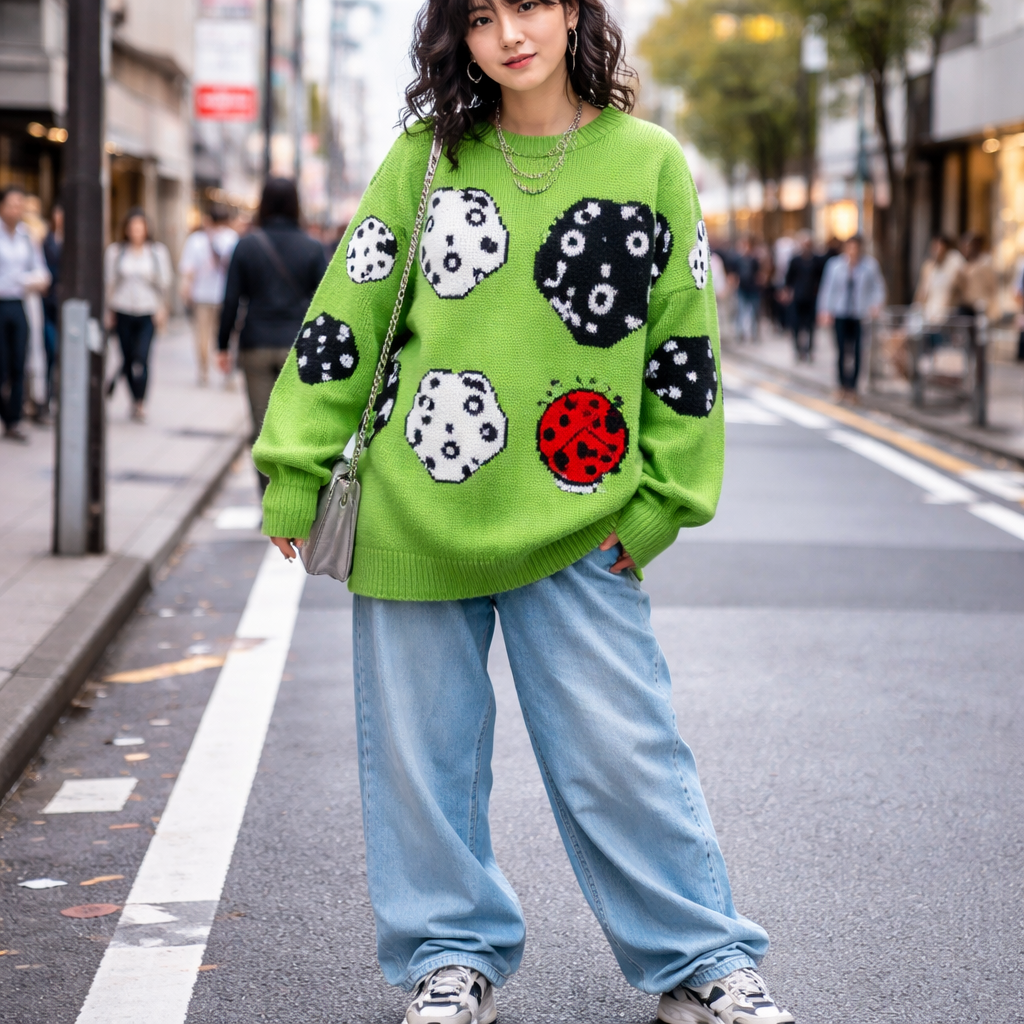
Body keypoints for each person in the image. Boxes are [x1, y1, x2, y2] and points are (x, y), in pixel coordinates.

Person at [254, 3, 794, 1024]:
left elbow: (685, 345)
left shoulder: (649, 163)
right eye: (483, 14)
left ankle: (701, 955)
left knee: (625, 754)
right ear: (455, 35)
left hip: (582, 525)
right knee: (421, 762)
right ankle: (447, 958)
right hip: (413, 518)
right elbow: (346, 317)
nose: (511, 32)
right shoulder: (421, 160)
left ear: (576, 12)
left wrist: (657, 509)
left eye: (533, 4)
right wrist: (292, 469)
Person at [217, 177, 326, 488]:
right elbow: (325, 302)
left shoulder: (247, 245)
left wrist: (222, 345)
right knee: (295, 426)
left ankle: (268, 502)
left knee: (262, 428)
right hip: (298, 347)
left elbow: (231, 300)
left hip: (256, 345)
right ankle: (294, 496)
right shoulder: (312, 247)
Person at [104, 208, 173, 422]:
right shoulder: (116, 252)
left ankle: (141, 402)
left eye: (140, 227)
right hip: (122, 309)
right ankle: (134, 399)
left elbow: (165, 284)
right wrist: (108, 310)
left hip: (147, 311)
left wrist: (163, 309)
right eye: (132, 227)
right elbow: (109, 284)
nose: (136, 231)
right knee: (126, 358)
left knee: (142, 357)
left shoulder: (157, 252)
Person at [0, 184, 51, 442]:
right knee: (2, 365)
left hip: (19, 304)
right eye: (11, 204)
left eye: (20, 204)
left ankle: (14, 420)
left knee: (20, 362)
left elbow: (42, 273)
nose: (16, 209)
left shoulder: (26, 237)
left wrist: (22, 280)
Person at [817, 234, 885, 402]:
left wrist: (876, 304)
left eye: (856, 247)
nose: (853, 251)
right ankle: (841, 386)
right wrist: (824, 310)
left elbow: (878, 287)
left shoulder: (869, 266)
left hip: (859, 314)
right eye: (850, 247)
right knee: (841, 351)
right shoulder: (834, 265)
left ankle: (853, 388)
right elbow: (827, 289)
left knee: (857, 351)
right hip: (840, 312)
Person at [179, 205, 238, 386]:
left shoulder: (196, 240)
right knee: (227, 337)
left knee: (202, 337)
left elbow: (188, 270)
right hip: (225, 296)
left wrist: (186, 289)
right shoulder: (231, 238)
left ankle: (204, 373)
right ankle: (227, 376)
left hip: (203, 296)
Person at [783, 231, 822, 362]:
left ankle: (809, 350)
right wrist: (787, 292)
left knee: (810, 326)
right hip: (798, 297)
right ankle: (798, 349)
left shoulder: (816, 260)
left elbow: (820, 278)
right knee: (796, 325)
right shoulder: (795, 260)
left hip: (811, 297)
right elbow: (789, 278)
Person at [913, 235, 964, 333]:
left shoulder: (954, 264)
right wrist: (916, 309)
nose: (936, 251)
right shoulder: (928, 266)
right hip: (927, 315)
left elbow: (955, 291)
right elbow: (921, 291)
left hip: (945, 316)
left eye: (938, 247)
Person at [42, 203, 63, 415]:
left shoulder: (77, 242)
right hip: (47, 305)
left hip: (66, 306)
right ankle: (47, 396)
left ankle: (59, 395)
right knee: (50, 350)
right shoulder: (44, 241)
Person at [732, 234, 762, 343]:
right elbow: (734, 274)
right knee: (740, 311)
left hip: (753, 289)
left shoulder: (754, 259)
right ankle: (740, 333)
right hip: (742, 288)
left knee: (754, 312)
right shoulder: (738, 259)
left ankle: (754, 334)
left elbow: (759, 274)